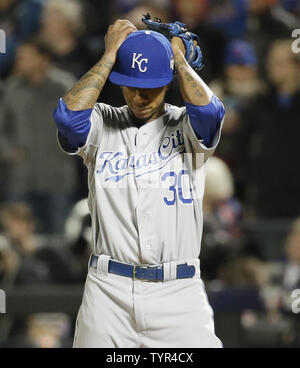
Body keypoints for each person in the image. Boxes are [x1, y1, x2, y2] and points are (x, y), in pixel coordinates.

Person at [53, 19, 225, 348]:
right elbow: (67, 118)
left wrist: (179, 61)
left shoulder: (187, 126)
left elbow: (211, 114)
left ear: (168, 82)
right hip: (108, 291)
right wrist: (109, 56)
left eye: (151, 86)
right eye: (131, 85)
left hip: (178, 291)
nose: (140, 95)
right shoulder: (102, 122)